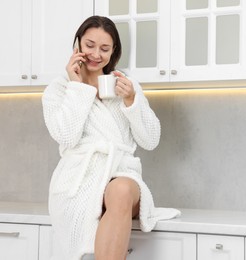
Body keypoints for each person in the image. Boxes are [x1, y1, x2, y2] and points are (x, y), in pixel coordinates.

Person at [42, 16, 180, 260]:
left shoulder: (124, 84)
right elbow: (66, 136)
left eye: (105, 48)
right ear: (78, 44)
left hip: (121, 174)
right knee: (116, 192)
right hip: (78, 180)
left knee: (121, 189)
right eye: (90, 45)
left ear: (114, 51)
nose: (96, 54)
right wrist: (78, 87)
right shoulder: (59, 89)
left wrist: (131, 101)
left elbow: (151, 140)